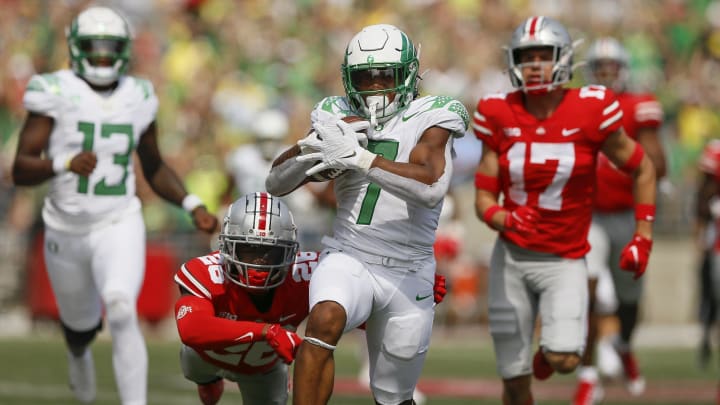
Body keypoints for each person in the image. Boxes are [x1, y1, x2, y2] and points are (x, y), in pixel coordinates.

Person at [11, 6, 217, 405]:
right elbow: (20, 168)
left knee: (122, 307)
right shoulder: (53, 90)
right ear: (76, 48)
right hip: (65, 225)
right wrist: (63, 163)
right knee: (79, 327)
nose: (103, 58)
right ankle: (78, 351)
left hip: (118, 220)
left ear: (124, 51)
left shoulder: (138, 95)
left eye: (110, 50)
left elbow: (153, 164)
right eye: (95, 49)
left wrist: (192, 203)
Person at [266, 23, 468, 405]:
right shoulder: (335, 112)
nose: (374, 87)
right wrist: (311, 146)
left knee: (393, 397)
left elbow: (430, 187)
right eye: (364, 77)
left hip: (409, 270)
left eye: (383, 76)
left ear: (407, 74)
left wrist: (359, 158)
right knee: (324, 318)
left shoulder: (434, 113)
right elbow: (276, 183)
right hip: (349, 253)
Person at [471, 16, 657, 405]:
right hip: (513, 256)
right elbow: (483, 200)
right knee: (513, 378)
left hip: (565, 257)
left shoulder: (592, 108)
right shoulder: (496, 112)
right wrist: (505, 218)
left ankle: (546, 356)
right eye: (527, 56)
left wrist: (643, 234)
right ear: (513, 62)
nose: (535, 64)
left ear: (564, 58)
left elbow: (642, 167)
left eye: (544, 55)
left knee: (566, 358)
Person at [173, 192, 447, 405]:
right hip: (206, 357)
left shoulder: (307, 273)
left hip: (264, 370)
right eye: (248, 250)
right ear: (227, 247)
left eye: (270, 253)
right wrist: (267, 331)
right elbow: (191, 329)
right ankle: (208, 382)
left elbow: (355, 312)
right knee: (195, 367)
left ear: (290, 252)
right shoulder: (206, 272)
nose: (258, 261)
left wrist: (407, 292)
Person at [572, 37, 667, 405]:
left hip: (626, 211)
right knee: (589, 293)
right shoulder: (578, 106)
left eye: (612, 68)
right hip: (588, 214)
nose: (607, 75)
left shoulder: (638, 106)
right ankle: (588, 374)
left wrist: (626, 156)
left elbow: (658, 166)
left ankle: (624, 345)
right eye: (600, 68)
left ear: (624, 70)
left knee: (629, 296)